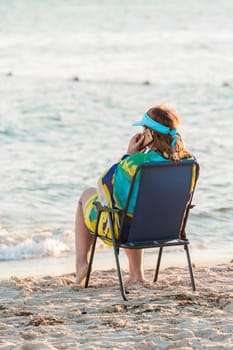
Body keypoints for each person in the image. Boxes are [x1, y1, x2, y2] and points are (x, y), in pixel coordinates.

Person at [75, 104, 192, 285]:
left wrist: (128, 155)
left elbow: (106, 186)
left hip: (130, 232)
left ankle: (81, 264)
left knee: (88, 196)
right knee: (137, 205)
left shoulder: (136, 163)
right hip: (169, 229)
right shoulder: (188, 161)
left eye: (144, 129)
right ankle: (136, 274)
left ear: (150, 134)